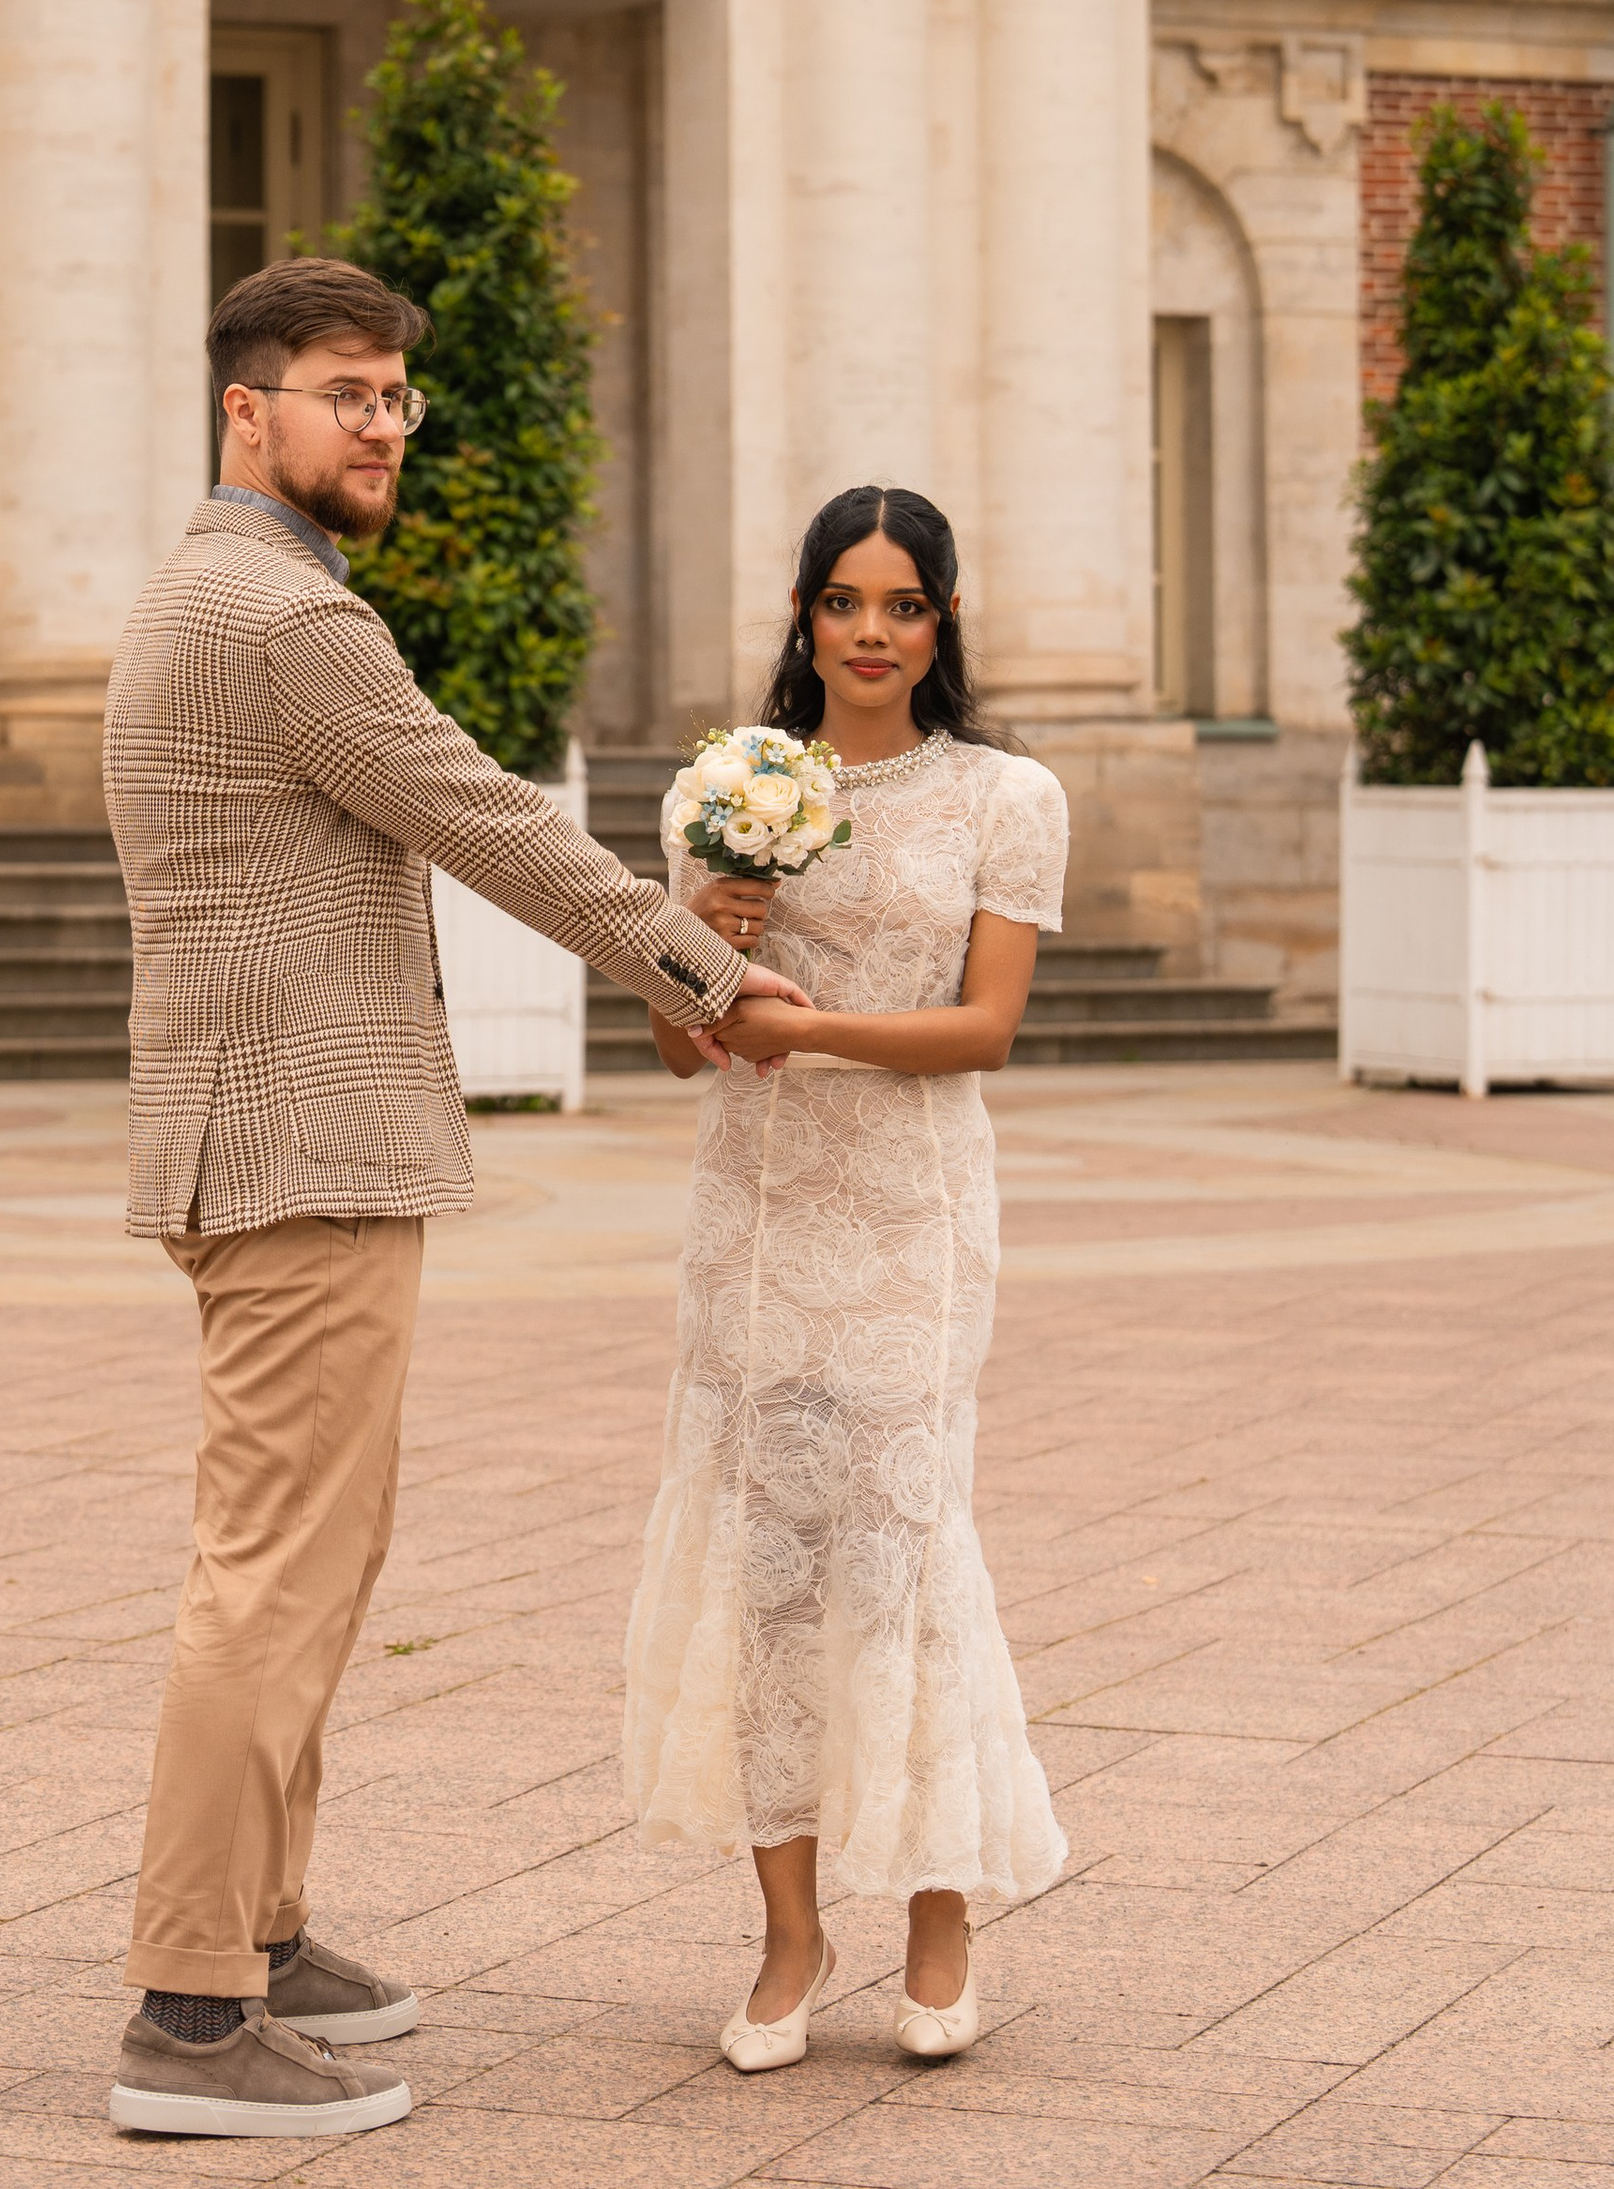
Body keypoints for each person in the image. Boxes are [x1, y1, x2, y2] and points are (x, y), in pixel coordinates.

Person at [103, 254, 795, 2142]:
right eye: (348, 391)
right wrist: (705, 969)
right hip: (299, 1148)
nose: (383, 424)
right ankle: (187, 2009)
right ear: (251, 410)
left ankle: (256, 1926)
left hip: (272, 1143)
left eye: (399, 396)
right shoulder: (278, 616)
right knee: (271, 1568)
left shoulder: (235, 593)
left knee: (313, 1558)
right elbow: (480, 812)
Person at [624, 482, 1069, 2075]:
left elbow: (986, 1029)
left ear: (943, 624)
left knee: (902, 1545)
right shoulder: (727, 795)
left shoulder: (1006, 796)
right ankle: (790, 1933)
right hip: (751, 1218)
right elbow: (683, 1052)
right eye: (844, 601)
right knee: (766, 1571)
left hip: (908, 1219)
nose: (872, 633)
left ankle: (939, 1915)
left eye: (905, 605)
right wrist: (704, 927)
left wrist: (802, 1027)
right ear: (802, 616)